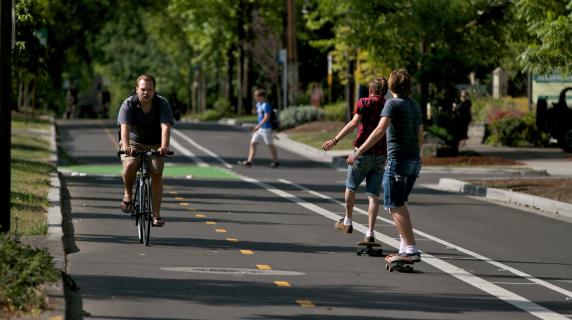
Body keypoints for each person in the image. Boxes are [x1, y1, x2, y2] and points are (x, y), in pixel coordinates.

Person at [346, 69, 424, 262]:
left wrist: (359, 150)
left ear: (391, 85)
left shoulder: (392, 104)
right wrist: (416, 156)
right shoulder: (414, 105)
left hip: (398, 160)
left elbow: (380, 130)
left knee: (395, 205)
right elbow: (420, 136)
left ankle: (412, 249)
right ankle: (404, 246)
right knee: (397, 204)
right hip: (414, 161)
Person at [321, 78, 388, 243]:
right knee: (373, 195)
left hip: (361, 153)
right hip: (380, 155)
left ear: (371, 89)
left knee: (351, 187)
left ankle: (348, 220)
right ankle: (370, 232)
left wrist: (334, 140)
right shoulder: (388, 106)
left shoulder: (364, 102)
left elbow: (354, 123)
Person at [117, 74, 174, 227]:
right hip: (134, 142)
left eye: (149, 89)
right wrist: (126, 147)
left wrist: (164, 147)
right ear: (137, 89)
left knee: (156, 172)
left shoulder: (162, 104)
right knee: (130, 165)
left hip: (155, 144)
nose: (146, 92)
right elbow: (125, 128)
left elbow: (165, 127)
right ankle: (128, 194)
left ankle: (156, 215)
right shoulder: (128, 104)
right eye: (142, 89)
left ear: (154, 90)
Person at [238, 89, 279, 168]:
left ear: (261, 97)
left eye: (256, 96)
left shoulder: (266, 105)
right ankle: (249, 161)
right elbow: (259, 115)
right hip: (260, 130)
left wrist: (257, 126)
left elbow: (266, 118)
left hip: (266, 129)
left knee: (270, 145)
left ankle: (275, 161)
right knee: (253, 143)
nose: (255, 98)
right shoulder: (258, 105)